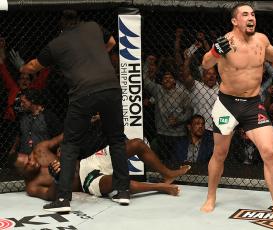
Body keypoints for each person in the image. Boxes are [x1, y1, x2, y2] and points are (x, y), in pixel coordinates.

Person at [200, 3, 273, 220]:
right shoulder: (226, 42)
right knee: (220, 153)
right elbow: (206, 64)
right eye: (245, 14)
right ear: (235, 21)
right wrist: (215, 51)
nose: (251, 17)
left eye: (253, 14)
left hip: (253, 104)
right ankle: (210, 196)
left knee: (269, 152)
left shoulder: (261, 40)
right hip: (227, 104)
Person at [19, 10, 130, 211]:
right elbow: (112, 42)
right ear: (79, 20)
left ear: (61, 24)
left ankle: (63, 199)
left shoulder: (57, 43)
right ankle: (122, 191)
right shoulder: (94, 27)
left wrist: (22, 69)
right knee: (116, 139)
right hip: (110, 88)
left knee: (70, 145)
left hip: (83, 92)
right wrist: (94, 60)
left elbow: (34, 66)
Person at [10, 130, 190, 203]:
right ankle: (160, 187)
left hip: (88, 162)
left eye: (29, 157)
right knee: (120, 181)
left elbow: (64, 137)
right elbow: (51, 196)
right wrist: (58, 179)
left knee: (136, 143)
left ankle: (167, 174)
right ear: (21, 172)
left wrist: (66, 150)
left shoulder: (40, 150)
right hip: (86, 181)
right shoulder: (32, 187)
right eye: (27, 164)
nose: (32, 160)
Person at [9, 88, 62, 156]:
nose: (21, 104)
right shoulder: (22, 117)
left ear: (32, 100)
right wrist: (13, 149)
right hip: (25, 157)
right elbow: (19, 135)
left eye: (23, 102)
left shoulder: (48, 116)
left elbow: (59, 135)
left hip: (43, 157)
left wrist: (59, 151)